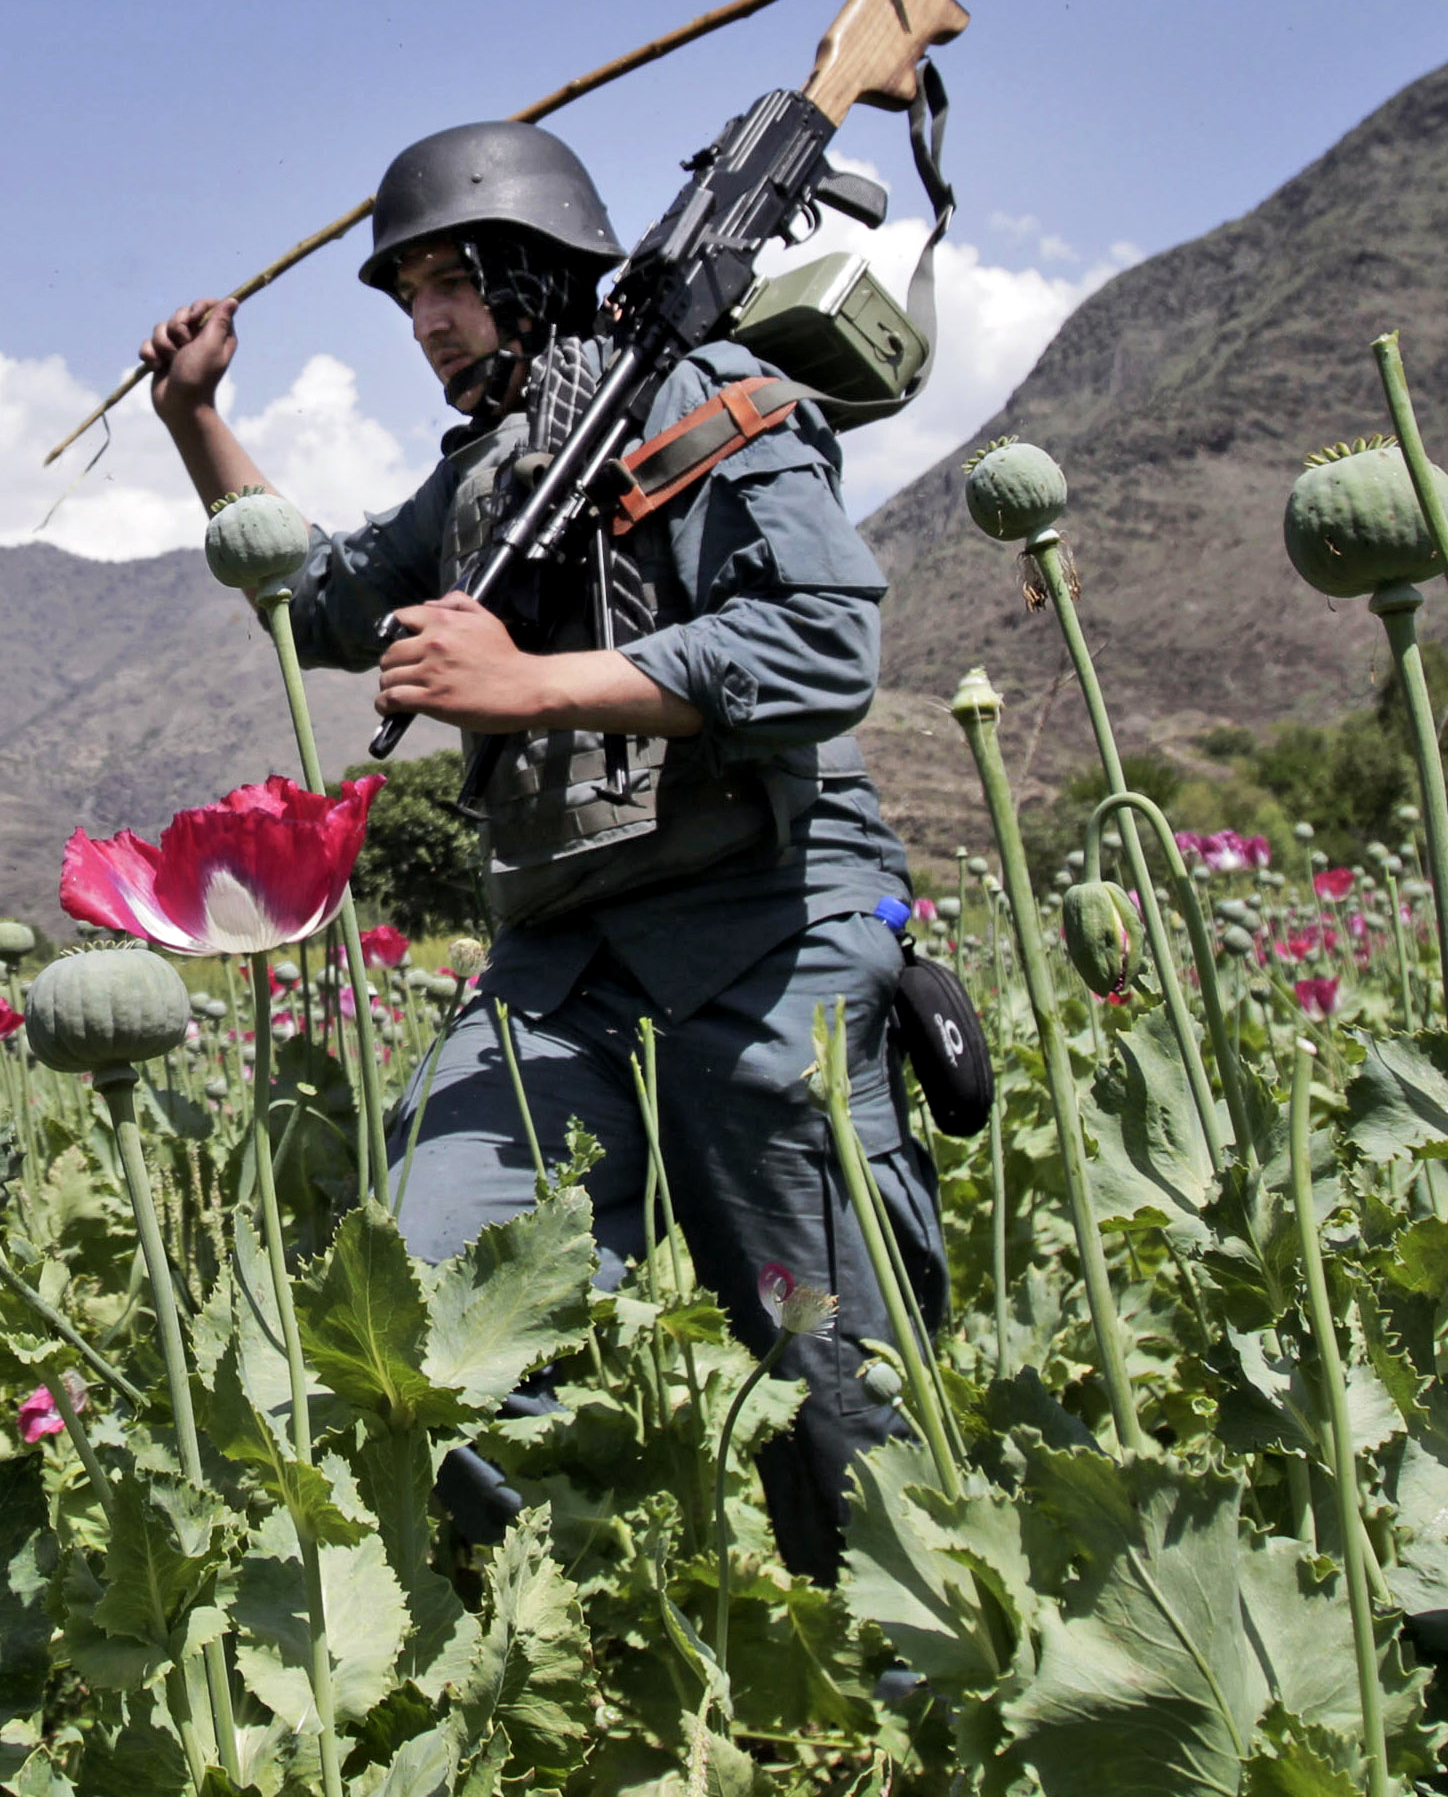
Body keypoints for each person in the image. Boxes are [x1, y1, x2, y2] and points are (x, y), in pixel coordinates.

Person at [137, 119, 939, 1580]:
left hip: (767, 933)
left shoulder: (718, 397)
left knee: (837, 1385)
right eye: (407, 296)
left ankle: (893, 1703)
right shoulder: (488, 480)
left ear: (537, 267)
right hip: (562, 964)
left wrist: (526, 683)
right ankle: (566, 1636)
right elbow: (319, 601)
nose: (429, 321)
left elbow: (825, 645)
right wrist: (198, 420)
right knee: (430, 1332)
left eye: (452, 280)